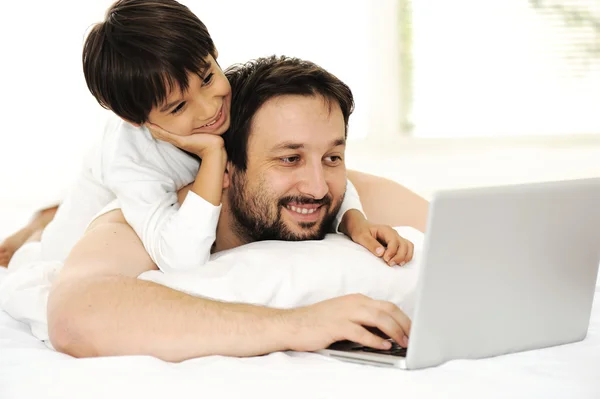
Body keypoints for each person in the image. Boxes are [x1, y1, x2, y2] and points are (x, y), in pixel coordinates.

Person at [46, 55, 429, 361]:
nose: (317, 187)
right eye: (289, 159)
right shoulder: (152, 217)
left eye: (332, 156)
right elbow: (73, 317)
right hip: (79, 218)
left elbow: (471, 234)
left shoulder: (342, 188)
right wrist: (299, 325)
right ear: (228, 167)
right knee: (49, 234)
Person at [0, 0, 413, 272]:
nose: (209, 109)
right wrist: (213, 158)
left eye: (208, 76)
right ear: (139, 120)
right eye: (178, 108)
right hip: (72, 237)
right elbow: (180, 258)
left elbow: (317, 160)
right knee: (35, 257)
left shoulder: (225, 96)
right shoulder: (132, 159)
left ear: (214, 54)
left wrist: (353, 220)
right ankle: (37, 230)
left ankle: (42, 216)